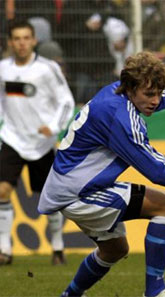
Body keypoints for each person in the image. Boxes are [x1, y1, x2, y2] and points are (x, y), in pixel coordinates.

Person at [38, 51, 165, 297]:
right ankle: (155, 291)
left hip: (73, 186)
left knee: (114, 250)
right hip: (78, 194)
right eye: (149, 94)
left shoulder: (120, 92)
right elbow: (158, 172)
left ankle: (70, 296)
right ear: (130, 89)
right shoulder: (120, 118)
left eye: (157, 93)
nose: (155, 100)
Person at [0, 20, 74, 266]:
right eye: (17, 38)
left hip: (41, 142)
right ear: (10, 42)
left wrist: (54, 128)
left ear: (33, 40)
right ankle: (4, 249)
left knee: (48, 200)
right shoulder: (3, 69)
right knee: (2, 190)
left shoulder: (47, 68)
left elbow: (65, 101)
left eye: (26, 38)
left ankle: (57, 246)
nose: (21, 43)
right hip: (11, 138)